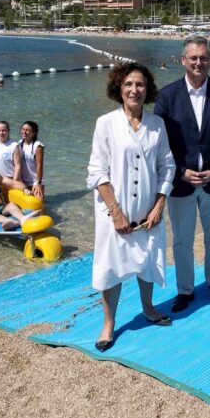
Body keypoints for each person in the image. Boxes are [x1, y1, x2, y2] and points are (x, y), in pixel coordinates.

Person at [88, 63, 176, 351]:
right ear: (119, 88)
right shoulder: (105, 123)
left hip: (148, 212)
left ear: (147, 89)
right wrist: (116, 212)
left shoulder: (157, 124)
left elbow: (167, 166)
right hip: (114, 213)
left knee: (147, 262)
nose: (134, 90)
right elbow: (97, 172)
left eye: (139, 84)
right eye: (128, 84)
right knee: (110, 267)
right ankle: (108, 323)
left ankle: (148, 308)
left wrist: (159, 204)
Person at [153, 35, 210, 312]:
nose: (199, 62)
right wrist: (180, 171)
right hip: (181, 182)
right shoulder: (166, 96)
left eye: (203, 57)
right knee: (181, 239)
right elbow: (159, 141)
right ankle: (185, 290)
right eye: (193, 58)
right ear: (183, 60)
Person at [12, 121, 45, 200]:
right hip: (22, 181)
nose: (24, 132)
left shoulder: (38, 146)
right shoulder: (19, 143)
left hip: (35, 181)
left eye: (27, 130)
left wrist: (38, 183)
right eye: (23, 129)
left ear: (33, 133)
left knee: (39, 201)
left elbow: (39, 166)